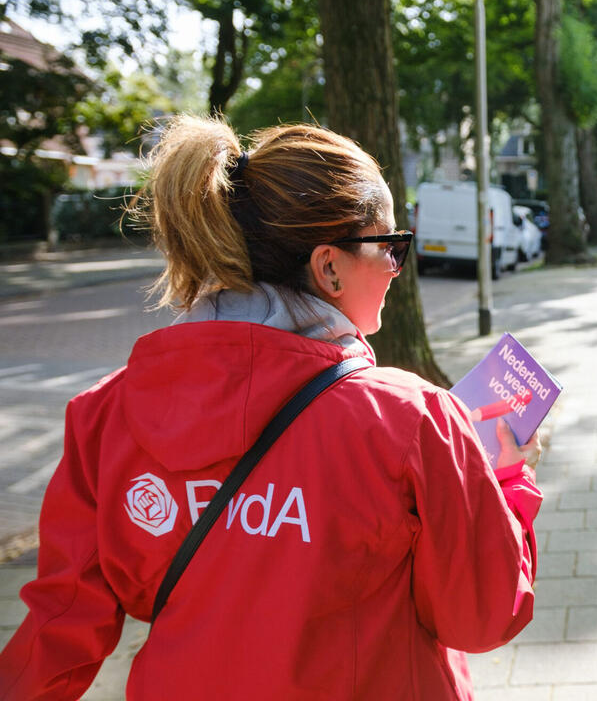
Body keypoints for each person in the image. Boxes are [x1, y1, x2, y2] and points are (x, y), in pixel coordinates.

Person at [0, 116, 542, 700]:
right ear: (329, 266)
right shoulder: (410, 420)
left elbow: (58, 630)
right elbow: (480, 617)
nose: (395, 268)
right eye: (388, 246)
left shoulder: (106, 413)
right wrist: (506, 483)